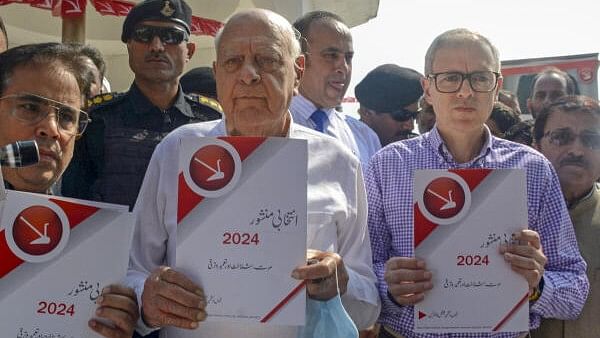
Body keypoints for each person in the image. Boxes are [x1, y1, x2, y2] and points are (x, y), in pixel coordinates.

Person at [125, 9, 379, 337]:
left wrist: (341, 284)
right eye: (232, 62)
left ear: (297, 71)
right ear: (217, 74)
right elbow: (134, 271)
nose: (248, 75)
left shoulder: (338, 162)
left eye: (267, 59)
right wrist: (148, 297)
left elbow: (368, 303)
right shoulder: (177, 150)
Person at [366, 28, 588, 338]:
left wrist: (536, 286)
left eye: (480, 78)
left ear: (496, 87)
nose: (465, 92)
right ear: (427, 90)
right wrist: (388, 286)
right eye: (450, 78)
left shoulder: (533, 170)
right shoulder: (387, 166)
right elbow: (361, 273)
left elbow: (574, 289)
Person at [0, 42, 138, 338]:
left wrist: (115, 320)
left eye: (66, 116)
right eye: (30, 107)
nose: (51, 128)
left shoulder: (90, 234)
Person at [61, 0, 222, 210]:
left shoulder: (211, 120)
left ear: (189, 51)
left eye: (171, 37)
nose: (157, 46)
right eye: (144, 35)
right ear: (129, 47)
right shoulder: (95, 119)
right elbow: (75, 202)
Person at [531, 95, 600, 338]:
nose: (577, 150)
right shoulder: (504, 213)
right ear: (536, 146)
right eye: (561, 137)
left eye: (591, 140)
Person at [291, 11, 380, 167]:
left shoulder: (365, 138)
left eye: (348, 57)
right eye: (331, 55)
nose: (343, 67)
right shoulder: (268, 128)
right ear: (299, 62)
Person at [356, 64, 422, 146]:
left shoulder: (417, 148)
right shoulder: (345, 149)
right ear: (367, 113)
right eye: (401, 115)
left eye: (415, 116)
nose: (410, 126)